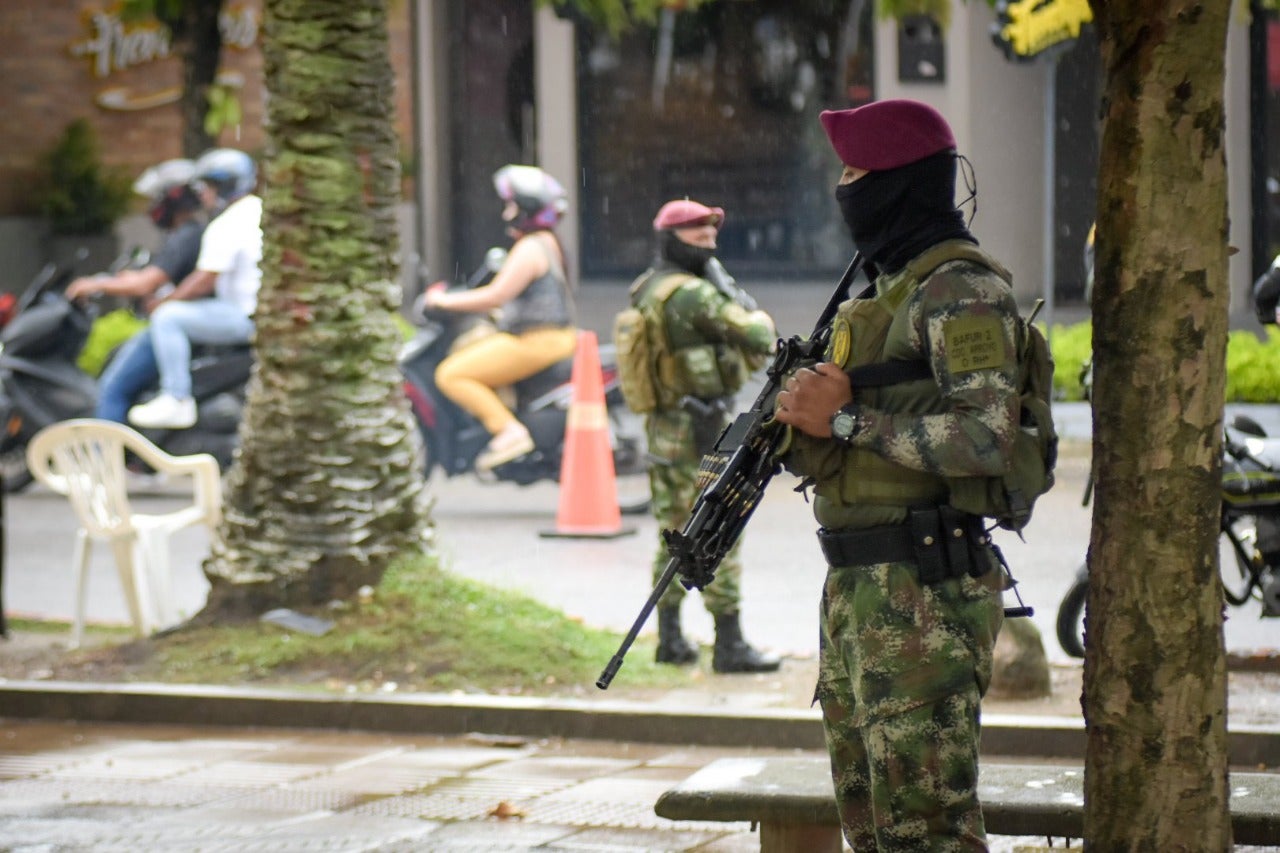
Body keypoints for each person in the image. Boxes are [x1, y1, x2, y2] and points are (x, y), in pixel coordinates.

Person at [773, 99, 1018, 849]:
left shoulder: (959, 291)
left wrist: (844, 421)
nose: (846, 192)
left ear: (904, 184)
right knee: (873, 832)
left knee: (928, 834)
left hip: (921, 594)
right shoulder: (886, 292)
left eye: (858, 175)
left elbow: (987, 437)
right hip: (859, 591)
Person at [631, 199, 780, 674]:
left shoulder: (649, 287)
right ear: (675, 241)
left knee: (673, 532)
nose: (709, 248)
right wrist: (739, 300)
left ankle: (670, 638)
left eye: (712, 240)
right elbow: (758, 335)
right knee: (720, 529)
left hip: (667, 428)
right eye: (699, 240)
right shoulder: (693, 295)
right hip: (701, 434)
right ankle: (729, 642)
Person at [421, 164, 577, 471]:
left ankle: (508, 430)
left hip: (536, 341)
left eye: (511, 206)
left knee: (451, 374)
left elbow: (496, 294)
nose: (506, 213)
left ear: (526, 209)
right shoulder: (546, 242)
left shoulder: (530, 247)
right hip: (547, 338)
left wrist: (443, 300)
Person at [127, 148, 261, 430]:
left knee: (169, 317)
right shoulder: (257, 211)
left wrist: (166, 303)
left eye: (207, 188)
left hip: (241, 317)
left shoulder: (227, 223)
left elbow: (203, 280)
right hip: (257, 313)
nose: (203, 195)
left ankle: (176, 398)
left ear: (224, 187)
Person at [65, 159, 209, 422]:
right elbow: (156, 277)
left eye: (156, 198)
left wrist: (94, 284)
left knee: (110, 390)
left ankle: (103, 459)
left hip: (173, 327)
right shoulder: (187, 233)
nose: (152, 207)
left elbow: (146, 284)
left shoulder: (186, 235)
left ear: (173, 198)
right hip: (183, 324)